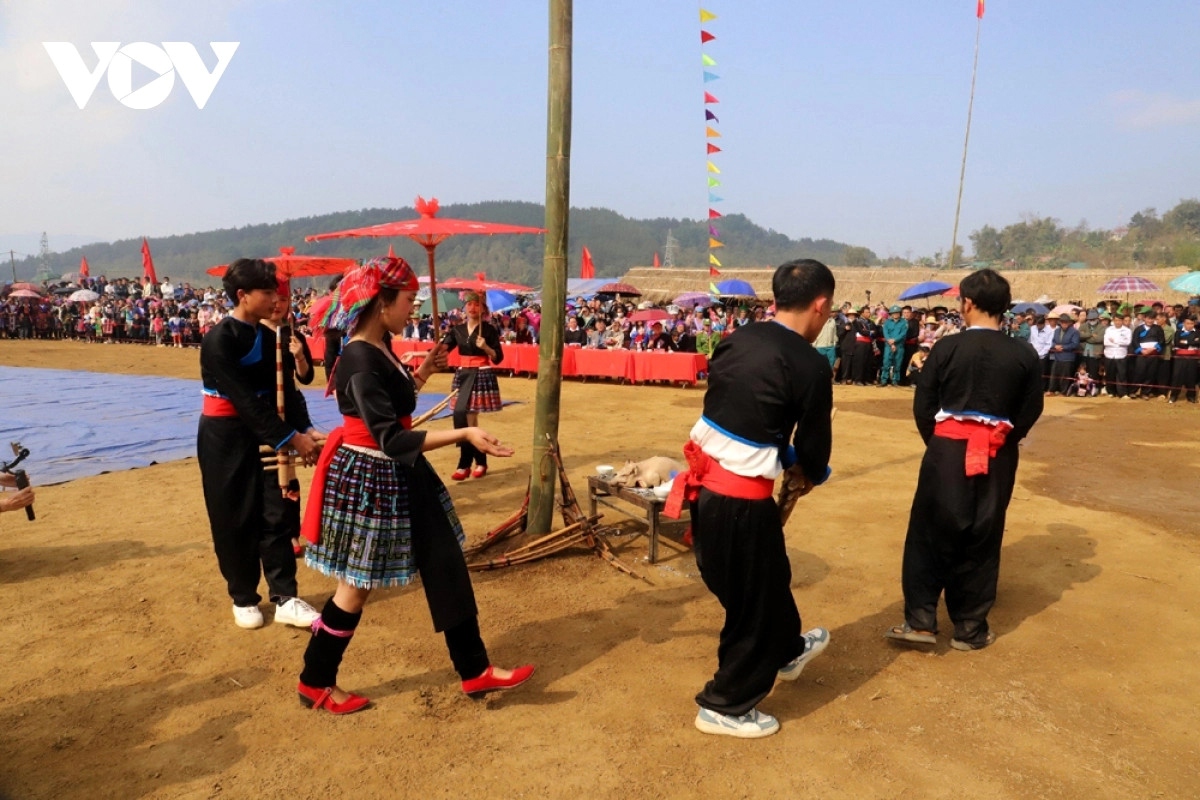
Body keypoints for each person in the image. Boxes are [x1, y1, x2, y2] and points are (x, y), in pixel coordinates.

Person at [297, 256, 533, 714]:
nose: (414, 308)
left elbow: (399, 401)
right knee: (356, 586)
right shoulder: (359, 360)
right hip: (373, 476)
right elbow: (392, 438)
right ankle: (315, 679)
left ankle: (474, 669)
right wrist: (464, 434)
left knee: (445, 561)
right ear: (382, 303)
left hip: (403, 473)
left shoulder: (380, 344)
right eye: (408, 300)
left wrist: (424, 370)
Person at [664, 258, 835, 739]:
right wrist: (810, 469)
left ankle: (786, 650)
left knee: (768, 579)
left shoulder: (737, 339)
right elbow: (815, 445)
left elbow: (742, 414)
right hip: (740, 499)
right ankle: (725, 704)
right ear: (820, 305)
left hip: (708, 491)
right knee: (751, 604)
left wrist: (785, 452)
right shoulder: (810, 364)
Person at [884, 269, 1043, 651]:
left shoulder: (946, 348)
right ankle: (970, 628)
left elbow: (924, 404)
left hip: (947, 451)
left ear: (967, 303)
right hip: (998, 453)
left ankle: (921, 621)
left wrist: (940, 444)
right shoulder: (1023, 353)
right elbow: (1031, 408)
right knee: (983, 534)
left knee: (929, 532)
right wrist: (1003, 440)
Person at [197, 258, 324, 630]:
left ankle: (285, 596)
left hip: (268, 433)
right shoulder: (218, 340)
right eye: (267, 292)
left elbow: (288, 391)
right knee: (233, 516)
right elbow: (243, 400)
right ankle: (243, 596)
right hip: (225, 437)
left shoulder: (274, 338)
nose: (275, 300)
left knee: (277, 512)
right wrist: (292, 438)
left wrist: (306, 429)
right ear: (243, 295)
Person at [442, 291, 504, 480]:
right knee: (463, 417)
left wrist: (486, 347)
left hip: (480, 374)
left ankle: (465, 464)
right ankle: (479, 461)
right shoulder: (457, 330)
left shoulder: (489, 330)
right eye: (469, 304)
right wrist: (418, 354)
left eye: (477, 304)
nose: (472, 308)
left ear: (483, 308)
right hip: (463, 374)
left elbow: (498, 358)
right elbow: (443, 349)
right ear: (464, 307)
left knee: (469, 418)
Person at [1049, 313, 1080, 395]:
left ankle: (1064, 391)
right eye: (1062, 322)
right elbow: (1052, 341)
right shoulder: (1056, 331)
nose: (1064, 324)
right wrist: (1055, 346)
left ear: (1069, 322)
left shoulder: (1074, 331)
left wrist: (1063, 347)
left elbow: (1075, 344)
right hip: (1057, 356)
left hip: (1068, 357)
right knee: (1054, 374)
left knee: (1065, 376)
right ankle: (1052, 390)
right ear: (1060, 322)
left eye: (1066, 322)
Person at [1169, 316, 1198, 403]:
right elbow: (1177, 343)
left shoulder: (1198, 332)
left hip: (1192, 358)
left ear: (1194, 324)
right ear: (1184, 323)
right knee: (1177, 376)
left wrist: (1185, 342)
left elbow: (1198, 343)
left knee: (1191, 376)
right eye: (1188, 323)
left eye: (1192, 323)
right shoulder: (1178, 332)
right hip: (1180, 358)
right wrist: (1192, 342)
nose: (1190, 325)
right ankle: (1174, 395)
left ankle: (1191, 396)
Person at [1103, 314, 1132, 397]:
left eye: (1119, 320)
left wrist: (1115, 341)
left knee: (1122, 375)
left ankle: (1122, 393)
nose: (1117, 322)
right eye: (1116, 320)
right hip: (1109, 355)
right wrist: (1119, 342)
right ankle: (1111, 392)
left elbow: (1127, 342)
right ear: (1113, 321)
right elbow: (1106, 342)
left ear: (1122, 321)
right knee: (1110, 374)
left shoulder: (1127, 330)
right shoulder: (1109, 329)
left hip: (1121, 355)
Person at [879, 305, 907, 387]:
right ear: (891, 314)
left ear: (900, 313)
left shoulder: (904, 322)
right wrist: (890, 342)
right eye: (893, 313)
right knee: (886, 363)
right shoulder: (887, 322)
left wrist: (895, 340)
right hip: (888, 345)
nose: (895, 314)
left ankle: (895, 381)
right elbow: (885, 332)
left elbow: (903, 333)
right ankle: (884, 380)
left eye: (897, 313)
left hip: (899, 345)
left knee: (897, 364)